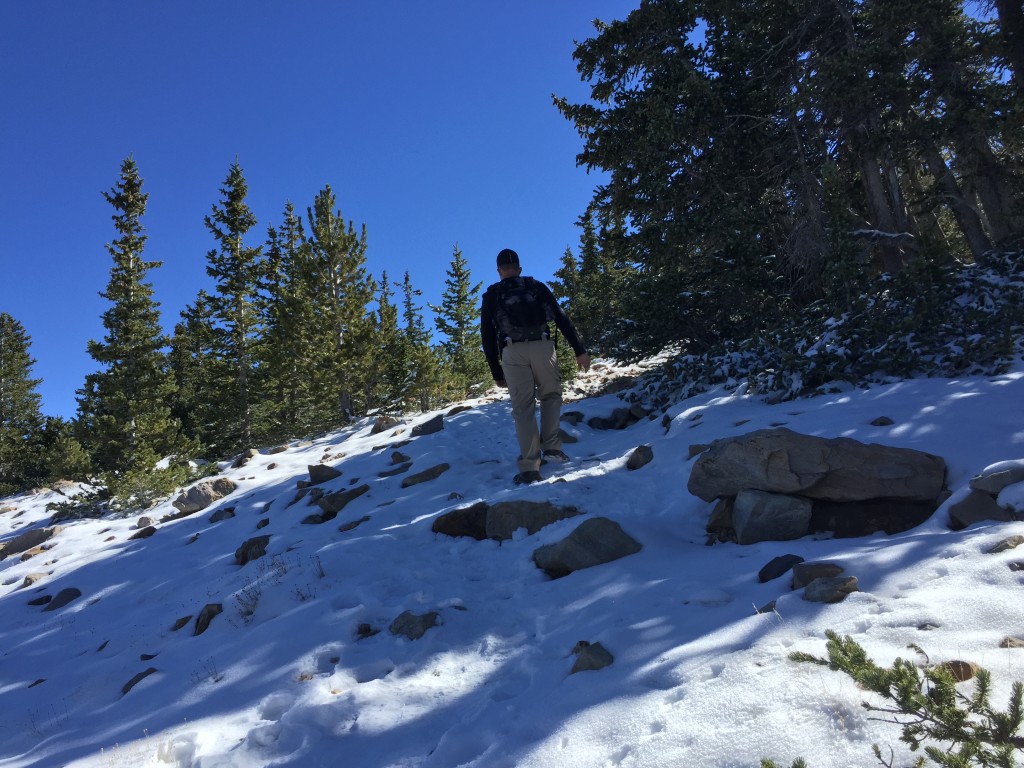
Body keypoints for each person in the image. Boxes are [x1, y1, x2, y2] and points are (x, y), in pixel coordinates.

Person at [480, 248, 591, 485]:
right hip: (542, 346)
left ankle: (530, 466)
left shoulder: (492, 295)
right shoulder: (536, 286)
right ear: (519, 268)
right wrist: (579, 350)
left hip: (512, 351)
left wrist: (496, 372)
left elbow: (487, 334)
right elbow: (561, 317)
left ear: (499, 271)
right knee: (550, 395)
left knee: (523, 409)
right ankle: (551, 446)